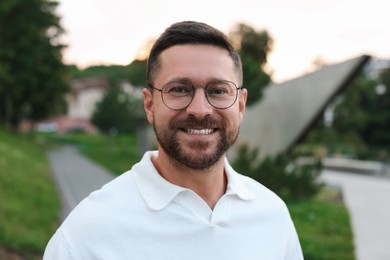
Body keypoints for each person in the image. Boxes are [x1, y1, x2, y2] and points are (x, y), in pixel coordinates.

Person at [43, 21, 303, 259]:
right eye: (179, 89)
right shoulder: (86, 235)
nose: (200, 109)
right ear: (149, 104)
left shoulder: (273, 216)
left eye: (218, 91)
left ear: (241, 105)